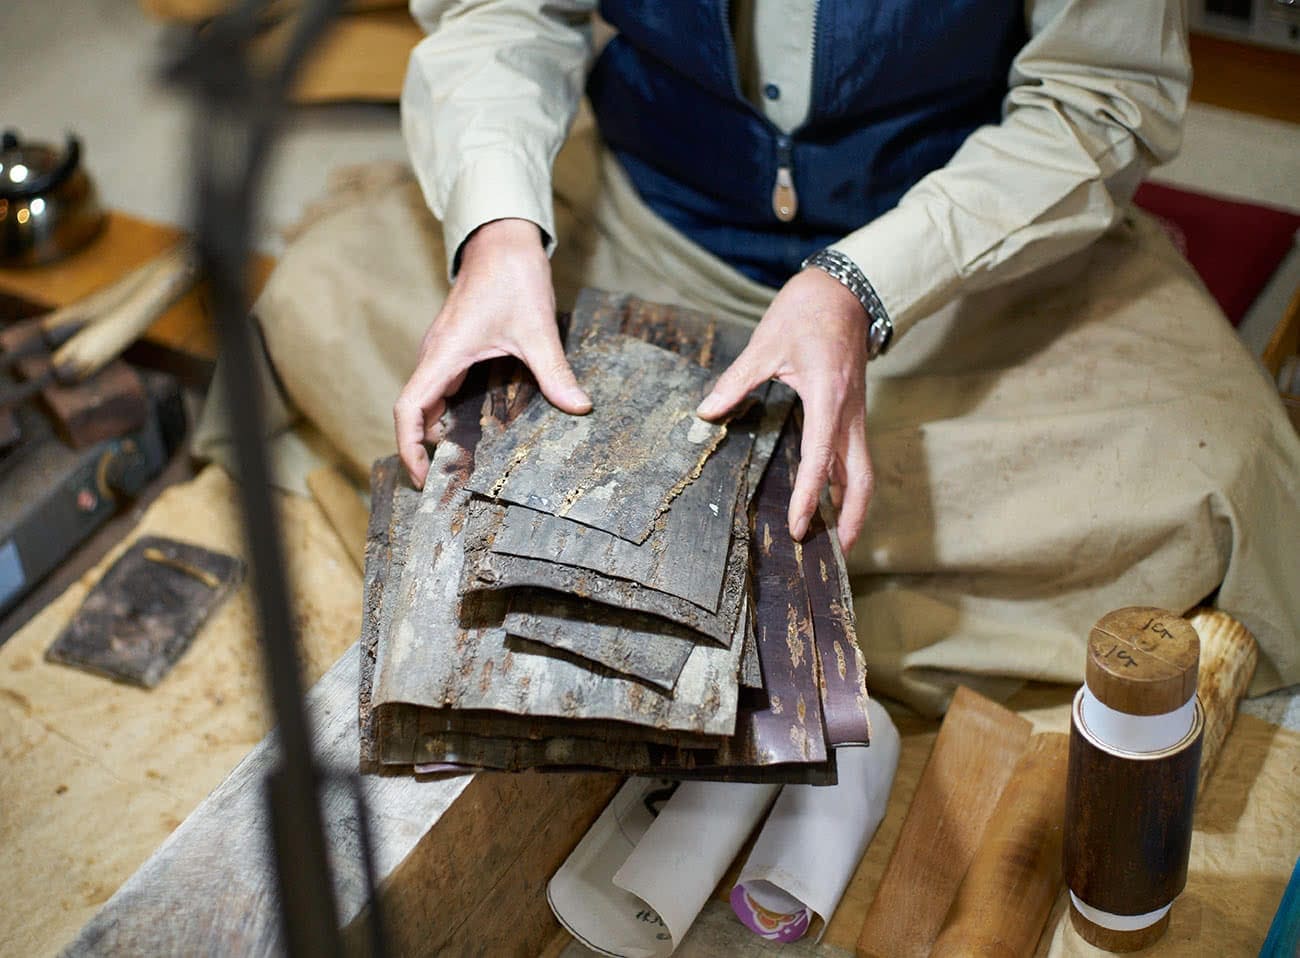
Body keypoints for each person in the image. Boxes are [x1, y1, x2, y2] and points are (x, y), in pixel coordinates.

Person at [205, 0, 1300, 713]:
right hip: (644, 221)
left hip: (951, 266)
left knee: (1227, 466)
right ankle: (783, 597)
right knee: (319, 296)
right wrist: (497, 231)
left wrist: (861, 285)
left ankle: (655, 590)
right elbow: (500, 14)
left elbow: (1095, 102)